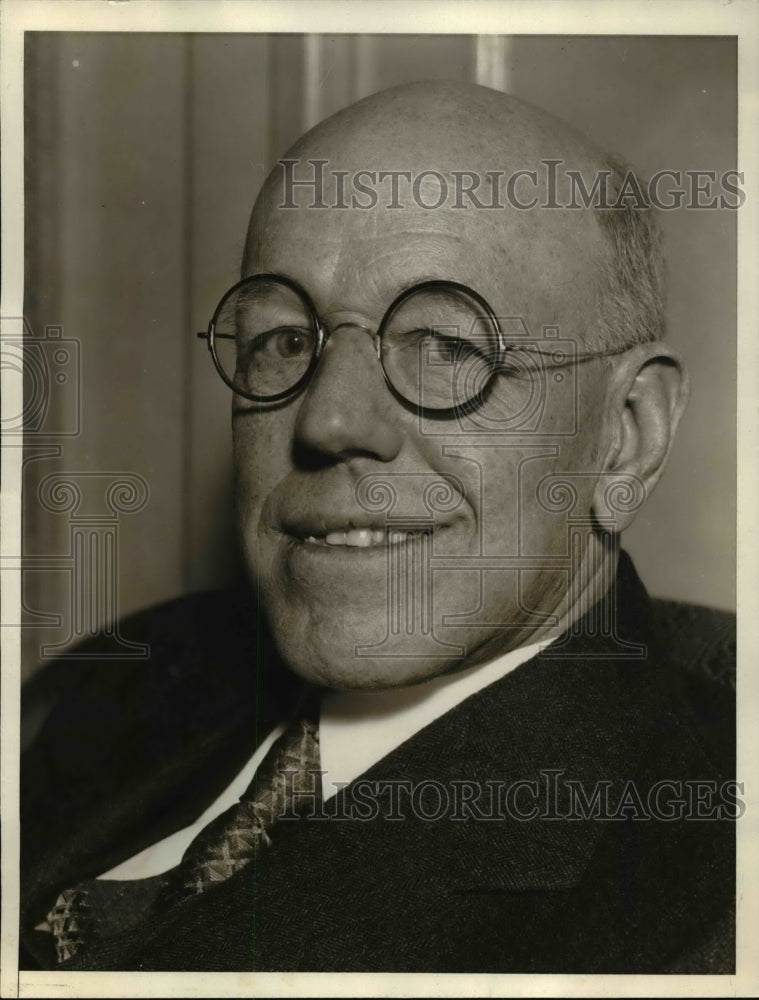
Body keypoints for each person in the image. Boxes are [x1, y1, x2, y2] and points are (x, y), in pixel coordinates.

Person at [21, 81, 735, 973]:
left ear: (624, 438)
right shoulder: (112, 681)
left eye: (446, 348)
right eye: (285, 341)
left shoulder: (701, 906)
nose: (328, 421)